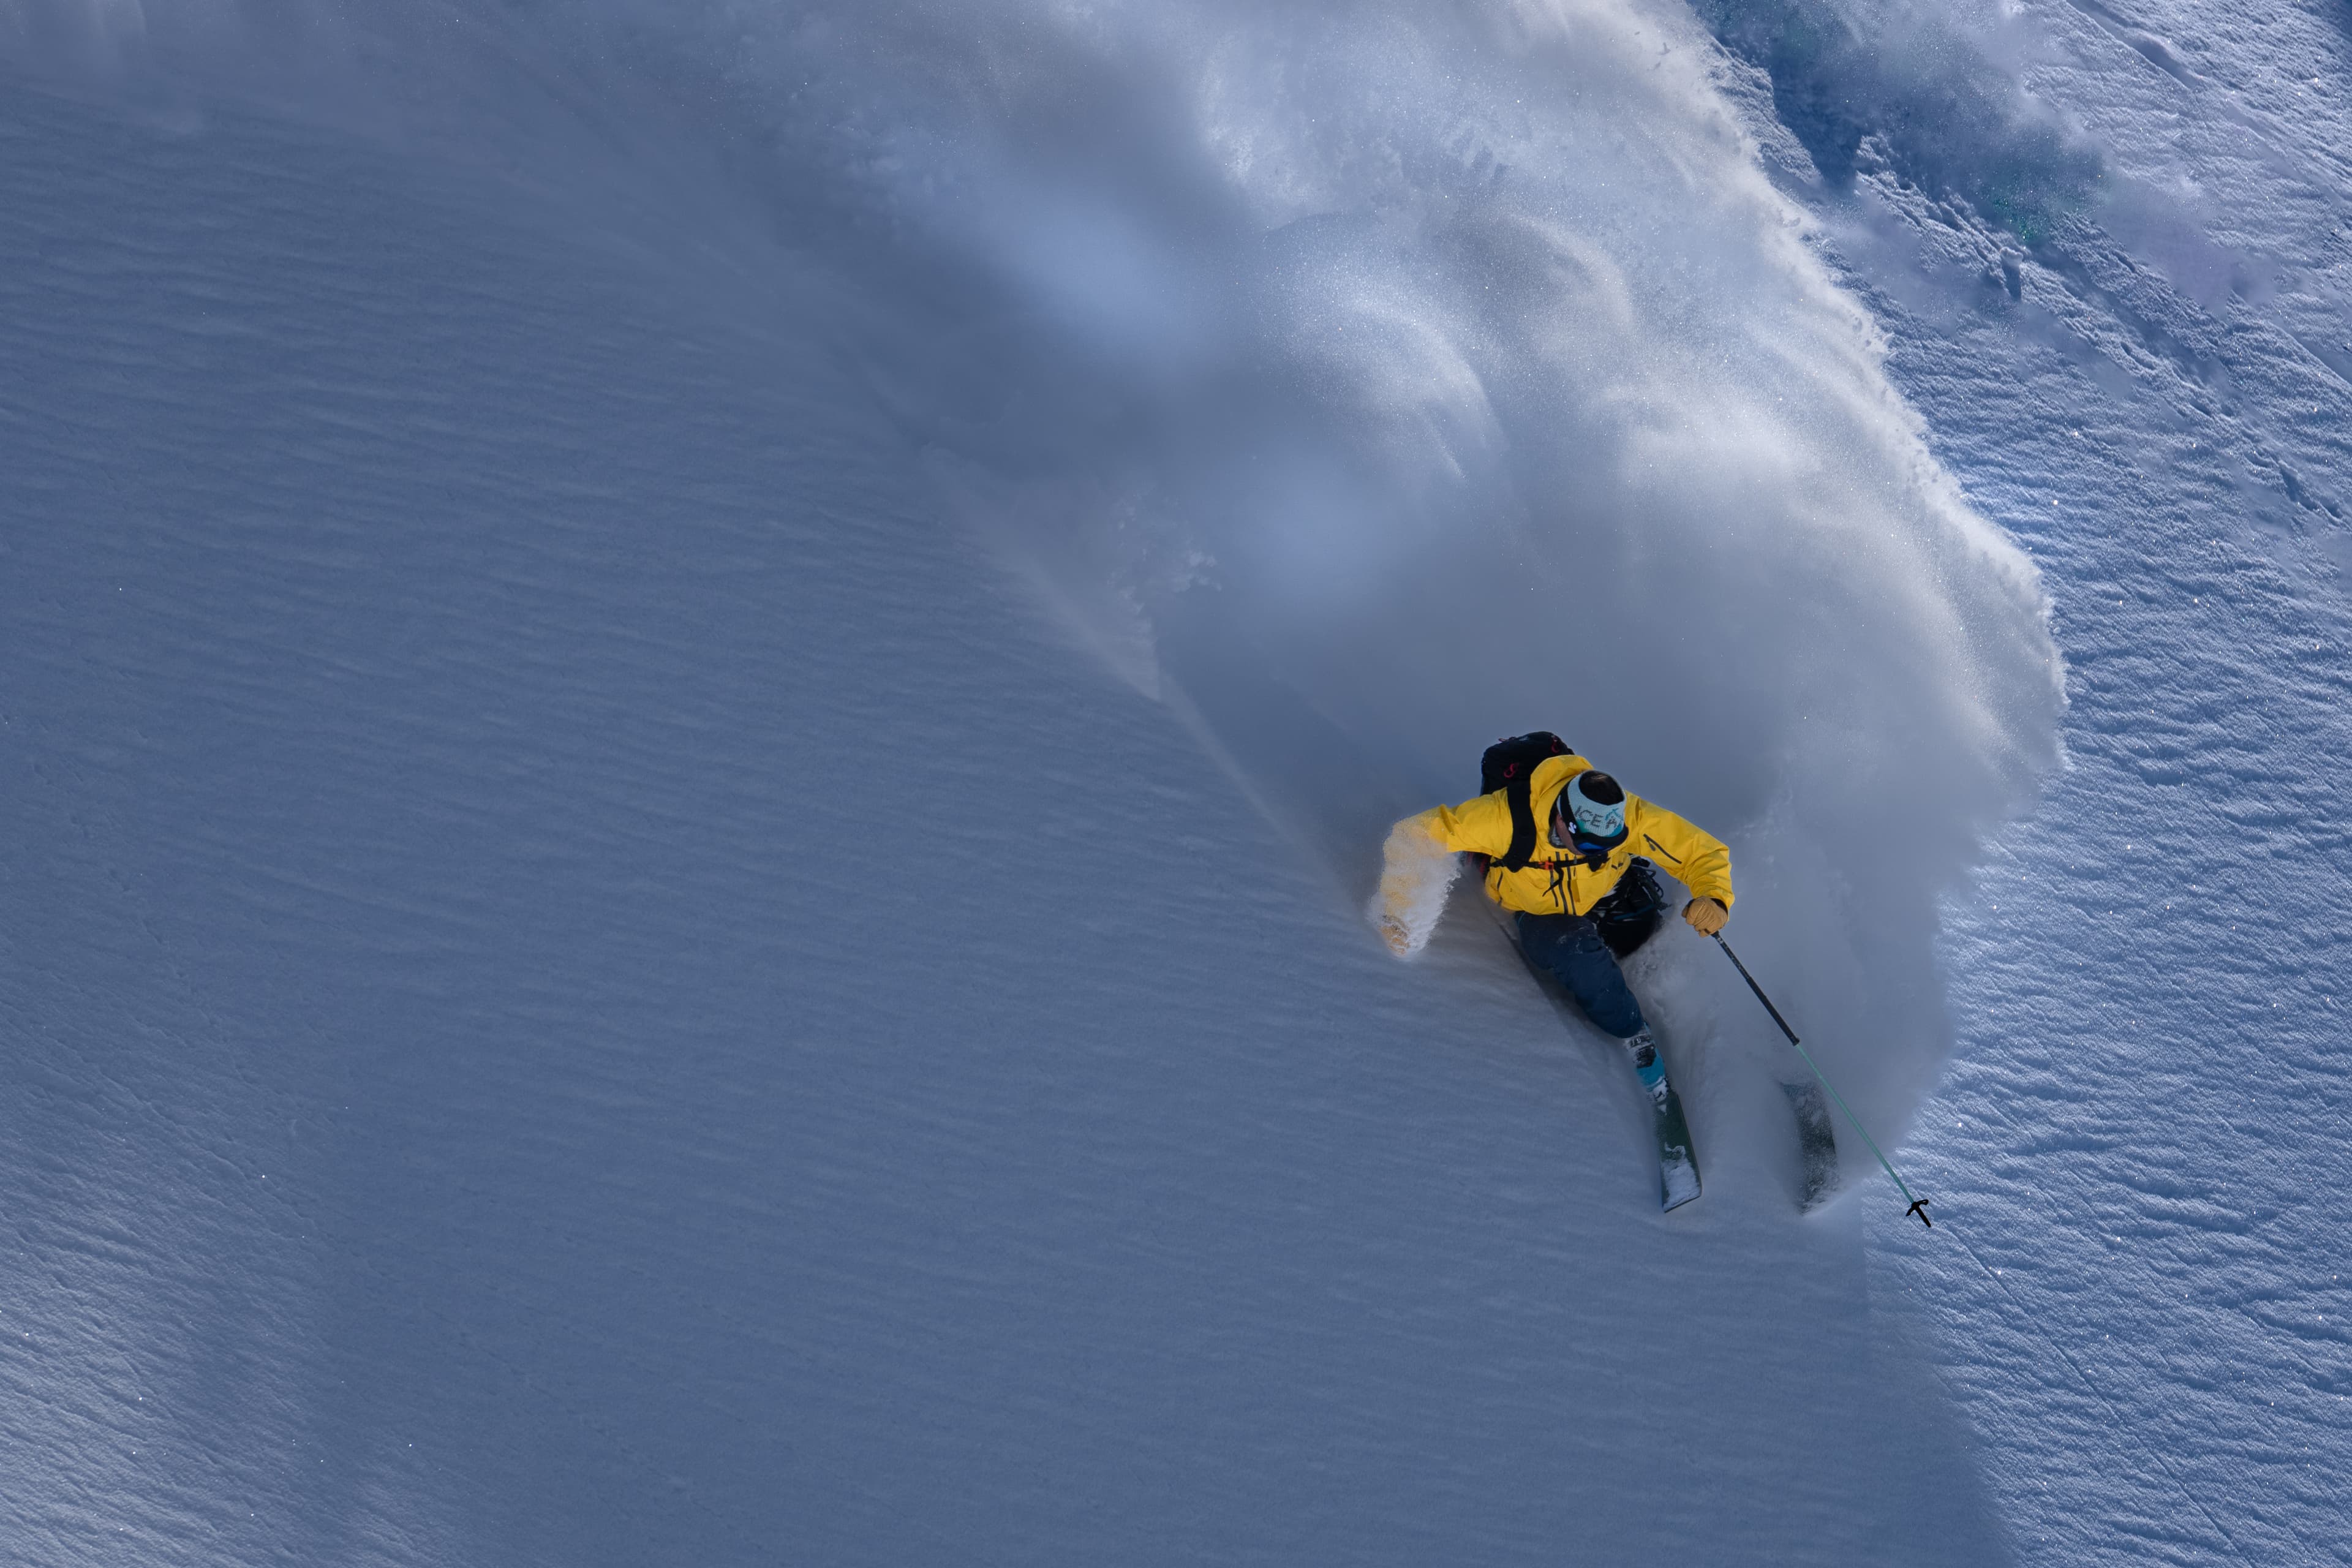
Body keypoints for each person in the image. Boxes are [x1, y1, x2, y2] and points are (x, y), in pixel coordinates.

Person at [1374, 748, 1732, 1055]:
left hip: (1606, 893)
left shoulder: (1628, 817)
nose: (1603, 850)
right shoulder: (1505, 820)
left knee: (1640, 934)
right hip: (1539, 911)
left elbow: (1700, 851)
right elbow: (1415, 834)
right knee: (1577, 952)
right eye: (1592, 846)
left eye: (1613, 843)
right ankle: (1632, 1032)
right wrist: (1403, 915)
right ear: (1562, 821)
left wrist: (1714, 896)